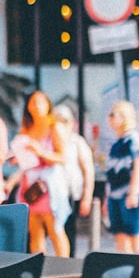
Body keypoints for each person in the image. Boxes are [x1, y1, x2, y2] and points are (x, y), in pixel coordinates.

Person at [10, 90, 72, 257]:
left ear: (48, 106)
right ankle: (40, 272)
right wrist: (19, 158)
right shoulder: (26, 128)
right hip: (30, 183)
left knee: (55, 229)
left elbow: (63, 157)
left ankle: (64, 274)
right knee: (35, 230)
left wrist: (41, 152)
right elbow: (26, 159)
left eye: (40, 102)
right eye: (33, 102)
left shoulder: (55, 127)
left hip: (48, 185)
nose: (36, 106)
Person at [103, 101, 139, 254]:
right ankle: (127, 274)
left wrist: (133, 192)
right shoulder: (117, 143)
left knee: (135, 236)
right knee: (121, 236)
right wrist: (108, 197)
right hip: (116, 195)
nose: (110, 119)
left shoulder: (133, 139)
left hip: (131, 194)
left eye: (113, 115)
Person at [53, 105, 95, 258]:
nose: (61, 124)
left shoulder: (77, 142)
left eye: (64, 120)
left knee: (68, 230)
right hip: (51, 193)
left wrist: (87, 196)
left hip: (70, 193)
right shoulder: (49, 141)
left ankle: (67, 267)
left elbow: (88, 170)